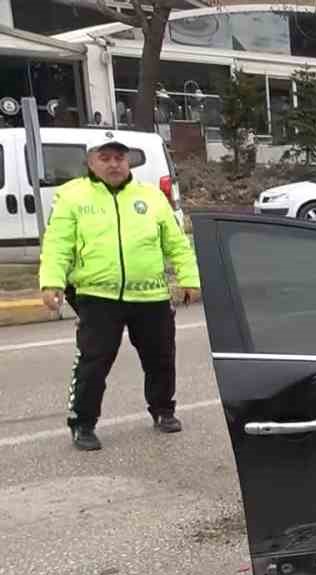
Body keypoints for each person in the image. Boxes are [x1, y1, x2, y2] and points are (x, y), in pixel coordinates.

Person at [38, 138, 200, 452]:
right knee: (93, 363)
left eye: (120, 158)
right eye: (106, 158)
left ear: (128, 163)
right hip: (97, 297)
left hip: (150, 296)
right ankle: (83, 423)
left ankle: (163, 411)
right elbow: (58, 244)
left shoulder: (151, 197)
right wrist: (51, 282)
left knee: (161, 358)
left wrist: (189, 278)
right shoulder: (72, 196)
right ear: (91, 163)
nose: (114, 164)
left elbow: (176, 244)